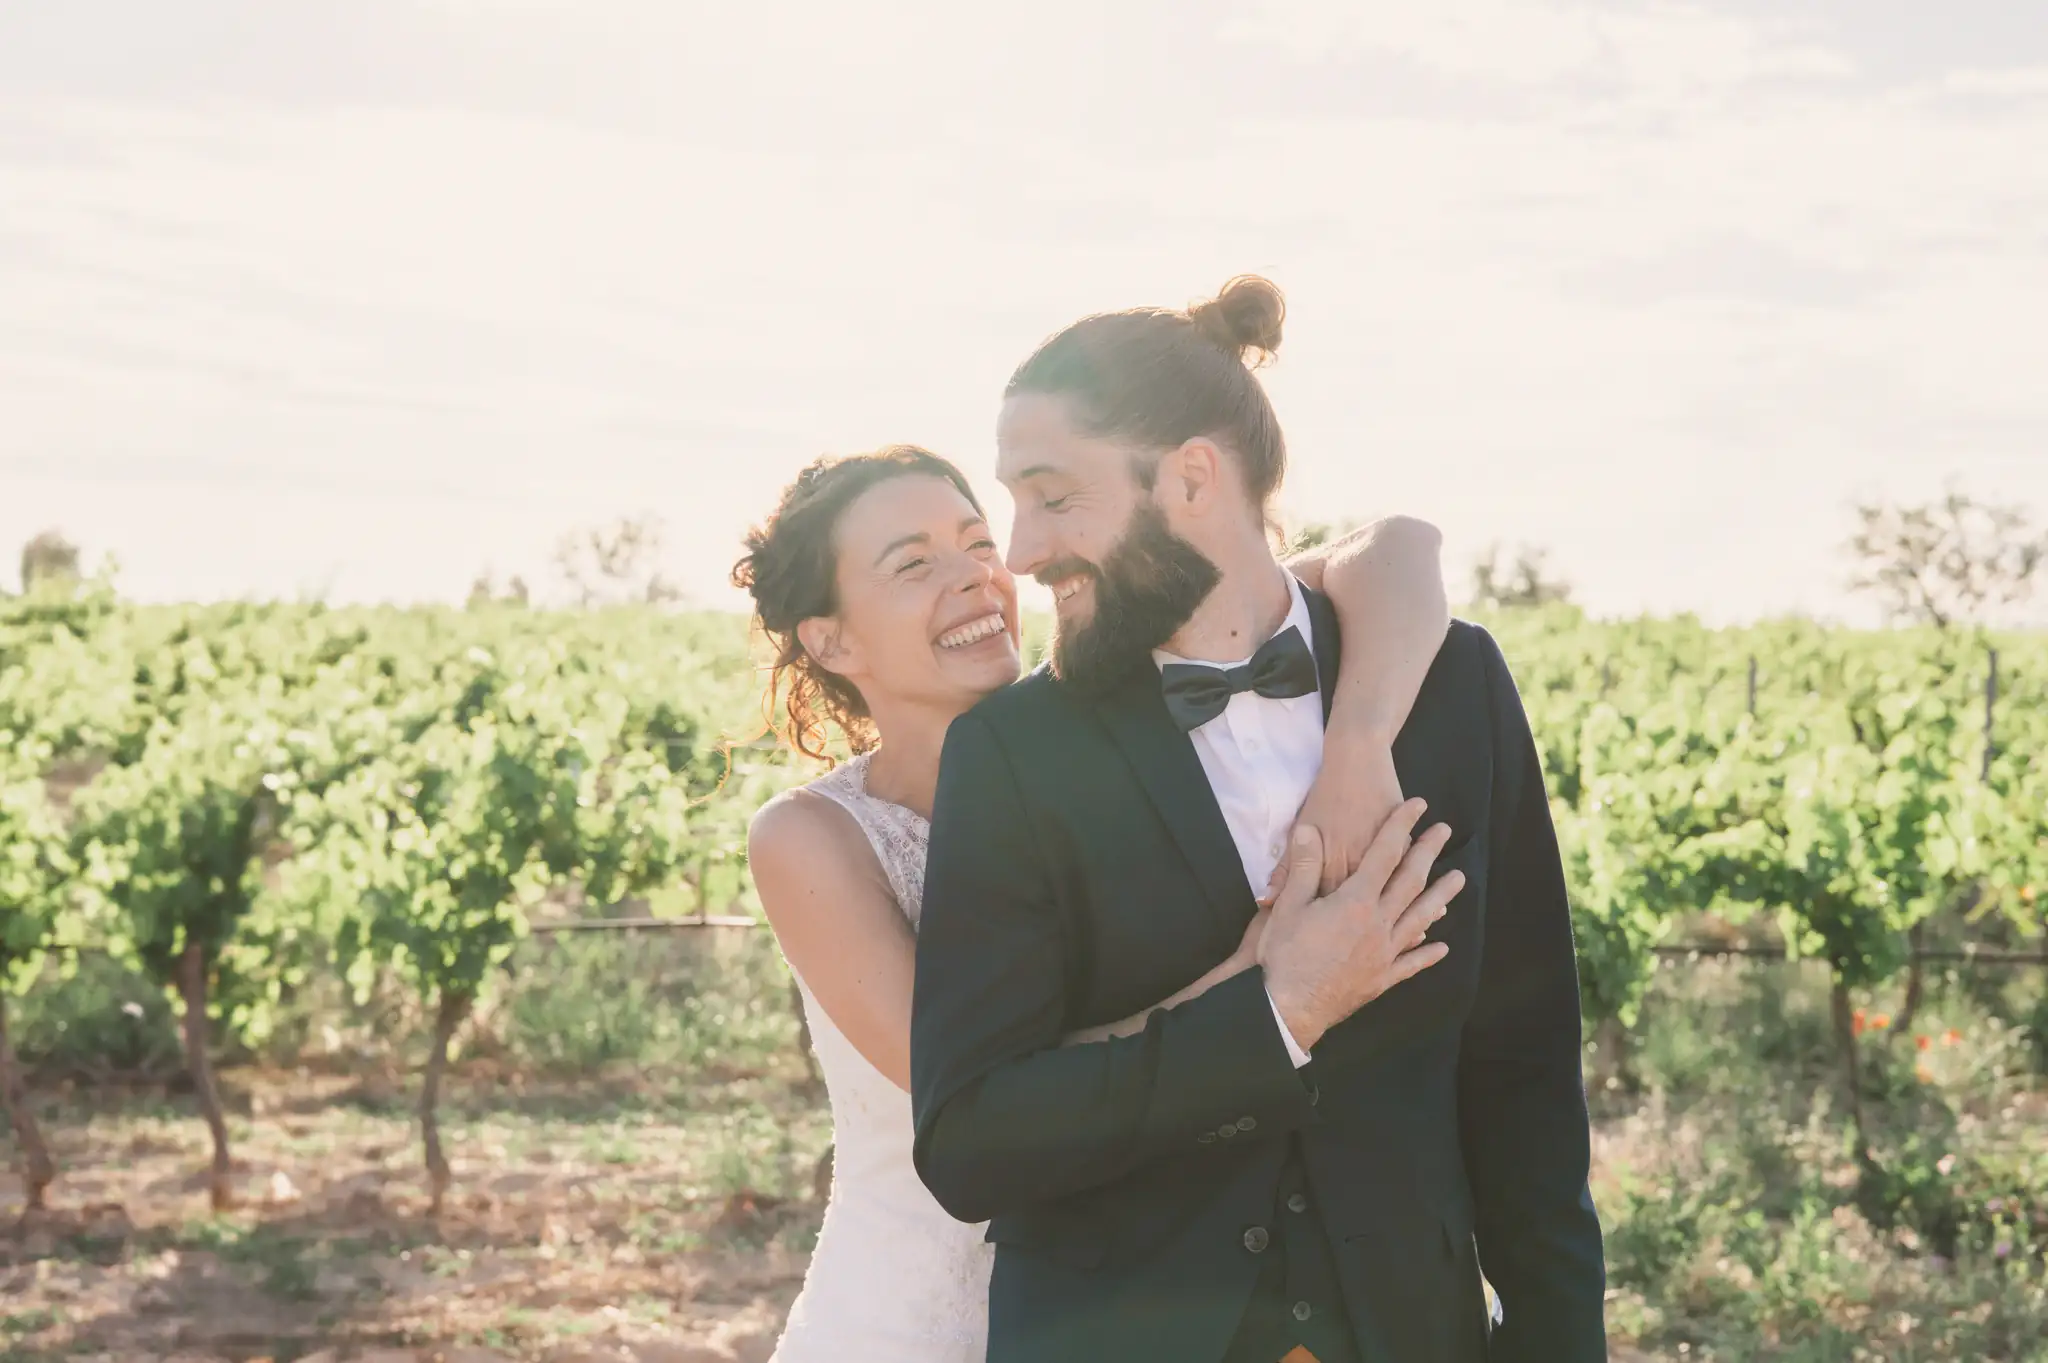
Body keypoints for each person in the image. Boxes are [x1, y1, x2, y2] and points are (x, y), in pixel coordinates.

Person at [908, 276, 1607, 1363]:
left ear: (1190, 476)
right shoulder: (1011, 753)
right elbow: (970, 1138)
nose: (1020, 551)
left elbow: (1521, 1071)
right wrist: (1275, 1011)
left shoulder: (1446, 683)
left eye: (1051, 496)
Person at [736, 437, 1453, 1355]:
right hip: (915, 1315)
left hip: (1108, 1296)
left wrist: (1360, 739)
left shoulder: (1111, 738)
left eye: (976, 543)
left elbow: (1393, 550)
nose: (975, 579)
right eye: (914, 565)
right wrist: (1262, 984)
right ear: (830, 638)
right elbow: (980, 1099)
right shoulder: (812, 837)